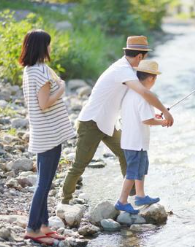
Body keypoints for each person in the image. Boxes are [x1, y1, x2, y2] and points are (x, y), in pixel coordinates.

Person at [61, 36, 174, 204]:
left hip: (107, 123)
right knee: (80, 164)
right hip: (91, 122)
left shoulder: (124, 69)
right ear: (139, 56)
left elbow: (127, 102)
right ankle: (65, 200)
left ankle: (136, 196)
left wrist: (150, 116)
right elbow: (144, 92)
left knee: (124, 154)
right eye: (144, 57)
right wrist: (165, 111)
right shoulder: (123, 70)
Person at [20, 29, 75, 246]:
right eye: (49, 44)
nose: (51, 48)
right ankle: (32, 228)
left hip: (43, 132)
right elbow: (44, 103)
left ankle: (43, 226)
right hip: (49, 133)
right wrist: (61, 88)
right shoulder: (40, 71)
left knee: (45, 181)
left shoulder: (31, 69)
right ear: (42, 47)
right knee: (44, 184)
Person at [115, 60, 166, 214]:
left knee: (140, 169)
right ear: (151, 79)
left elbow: (140, 115)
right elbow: (147, 120)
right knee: (132, 173)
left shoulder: (131, 93)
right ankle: (122, 201)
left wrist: (155, 115)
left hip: (131, 140)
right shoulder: (145, 97)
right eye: (155, 78)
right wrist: (163, 121)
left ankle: (140, 196)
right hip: (136, 142)